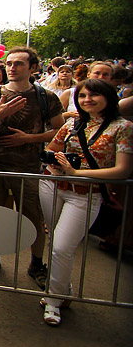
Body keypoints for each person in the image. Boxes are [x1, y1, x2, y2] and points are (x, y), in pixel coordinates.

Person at [39, 79, 133, 326]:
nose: (87, 100)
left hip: (85, 194)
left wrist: (77, 173)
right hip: (52, 186)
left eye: (94, 95)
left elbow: (122, 170)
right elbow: (51, 149)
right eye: (82, 96)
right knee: (55, 242)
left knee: (61, 246)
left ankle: (53, 300)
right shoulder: (72, 124)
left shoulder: (123, 127)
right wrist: (55, 164)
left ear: (109, 97)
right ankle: (62, 289)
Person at [0, 47, 65, 287]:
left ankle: (37, 263)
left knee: (33, 218)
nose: (12, 68)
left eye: (19, 64)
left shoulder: (46, 97)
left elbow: (61, 130)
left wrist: (28, 138)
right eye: (9, 63)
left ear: (33, 68)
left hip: (28, 168)